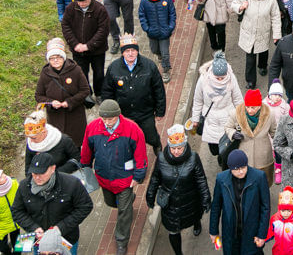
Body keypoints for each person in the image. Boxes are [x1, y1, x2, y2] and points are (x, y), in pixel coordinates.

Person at [81, 100, 147, 255]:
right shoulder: (92, 128)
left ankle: (121, 241)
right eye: (104, 119)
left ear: (118, 116)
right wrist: (85, 166)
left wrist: (138, 176)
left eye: (110, 119)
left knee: (124, 211)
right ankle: (129, 200)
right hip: (104, 178)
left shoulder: (132, 129)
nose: (107, 123)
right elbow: (86, 149)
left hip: (124, 180)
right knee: (111, 203)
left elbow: (140, 154)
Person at [145, 124, 211, 255]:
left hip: (191, 200)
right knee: (173, 230)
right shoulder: (161, 159)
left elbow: (201, 180)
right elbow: (155, 179)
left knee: (194, 216)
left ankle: (196, 223)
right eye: (173, 148)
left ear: (185, 145)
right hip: (171, 205)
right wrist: (150, 195)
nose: (176, 151)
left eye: (179, 148)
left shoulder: (193, 158)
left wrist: (206, 198)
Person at [11, 152, 93, 255]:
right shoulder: (24, 186)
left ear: (53, 168)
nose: (37, 177)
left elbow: (85, 206)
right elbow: (17, 211)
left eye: (42, 173)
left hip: (65, 238)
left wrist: (61, 228)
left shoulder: (72, 183)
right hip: (39, 241)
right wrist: (33, 228)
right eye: (34, 173)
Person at [102, 34, 166, 155]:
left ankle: (156, 145)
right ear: (122, 53)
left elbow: (159, 90)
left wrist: (160, 111)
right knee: (128, 139)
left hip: (145, 113)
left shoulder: (149, 66)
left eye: (133, 50)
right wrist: (109, 113)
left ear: (137, 51)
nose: (130, 53)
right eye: (127, 51)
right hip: (124, 115)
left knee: (150, 136)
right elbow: (107, 92)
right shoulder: (113, 68)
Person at [209, 149, 271, 255]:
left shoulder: (259, 177)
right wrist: (213, 231)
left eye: (243, 167)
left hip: (252, 231)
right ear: (230, 168)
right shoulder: (221, 179)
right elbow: (216, 206)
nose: (241, 171)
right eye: (236, 169)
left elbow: (265, 207)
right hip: (230, 232)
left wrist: (262, 234)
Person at [34, 39, 89, 147]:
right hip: (55, 119)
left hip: (75, 117)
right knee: (58, 147)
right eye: (52, 58)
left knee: (75, 146)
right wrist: (51, 102)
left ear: (63, 57)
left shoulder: (76, 70)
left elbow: (85, 90)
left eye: (58, 57)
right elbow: (38, 95)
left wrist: (70, 102)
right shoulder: (45, 74)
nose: (55, 60)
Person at [191, 52, 243, 164]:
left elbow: (238, 99)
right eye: (217, 77)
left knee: (226, 148)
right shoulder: (203, 80)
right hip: (211, 120)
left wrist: (242, 118)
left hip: (227, 119)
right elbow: (198, 100)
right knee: (214, 150)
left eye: (222, 78)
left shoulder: (231, 78)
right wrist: (195, 119)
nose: (220, 80)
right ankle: (219, 155)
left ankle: (224, 158)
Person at [232, 0, 282, 90]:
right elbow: (233, 4)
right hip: (249, 33)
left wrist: (276, 35)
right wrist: (240, 7)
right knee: (250, 58)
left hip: (263, 32)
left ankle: (263, 66)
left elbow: (275, 16)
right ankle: (250, 81)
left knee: (263, 51)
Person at [60, 0, 108, 103]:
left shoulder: (100, 9)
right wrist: (75, 44)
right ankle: (86, 93)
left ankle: (99, 93)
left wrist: (88, 46)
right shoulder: (71, 8)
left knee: (99, 73)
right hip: (78, 50)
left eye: (84, 1)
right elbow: (65, 26)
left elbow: (103, 30)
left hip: (97, 50)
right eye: (79, 1)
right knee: (81, 73)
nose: (81, 4)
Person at [138, 0, 177, 82]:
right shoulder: (145, 0)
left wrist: (170, 27)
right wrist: (146, 28)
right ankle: (159, 55)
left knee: (165, 53)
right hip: (152, 32)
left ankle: (165, 70)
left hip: (165, 32)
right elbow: (142, 15)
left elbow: (172, 14)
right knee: (154, 49)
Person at [23, 109, 80, 176]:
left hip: (65, 178)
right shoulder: (31, 145)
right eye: (29, 138)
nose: (31, 141)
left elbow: (77, 159)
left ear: (44, 132)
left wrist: (55, 174)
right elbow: (28, 169)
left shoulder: (64, 140)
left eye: (34, 138)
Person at [261, 187, 293, 254]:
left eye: (289, 211)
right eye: (283, 210)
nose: (286, 214)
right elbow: (271, 232)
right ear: (279, 209)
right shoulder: (275, 219)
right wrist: (262, 237)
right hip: (277, 252)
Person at [0, 171, 18, 255]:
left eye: (3, 174)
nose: (5, 176)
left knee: (18, 248)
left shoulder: (14, 183)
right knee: (3, 248)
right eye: (1, 176)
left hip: (16, 222)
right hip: (2, 227)